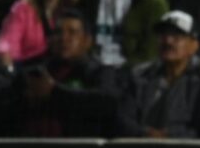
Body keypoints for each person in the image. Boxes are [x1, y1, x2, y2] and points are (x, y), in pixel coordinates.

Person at [9, 10, 121, 138]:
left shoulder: (100, 72)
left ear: (87, 41)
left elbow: (107, 103)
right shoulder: (36, 73)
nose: (63, 38)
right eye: (58, 32)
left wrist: (54, 92)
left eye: (72, 33)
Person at [116, 10, 200, 138]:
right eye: (163, 35)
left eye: (177, 37)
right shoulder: (139, 74)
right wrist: (146, 134)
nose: (168, 41)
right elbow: (124, 119)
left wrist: (169, 137)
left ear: (194, 45)